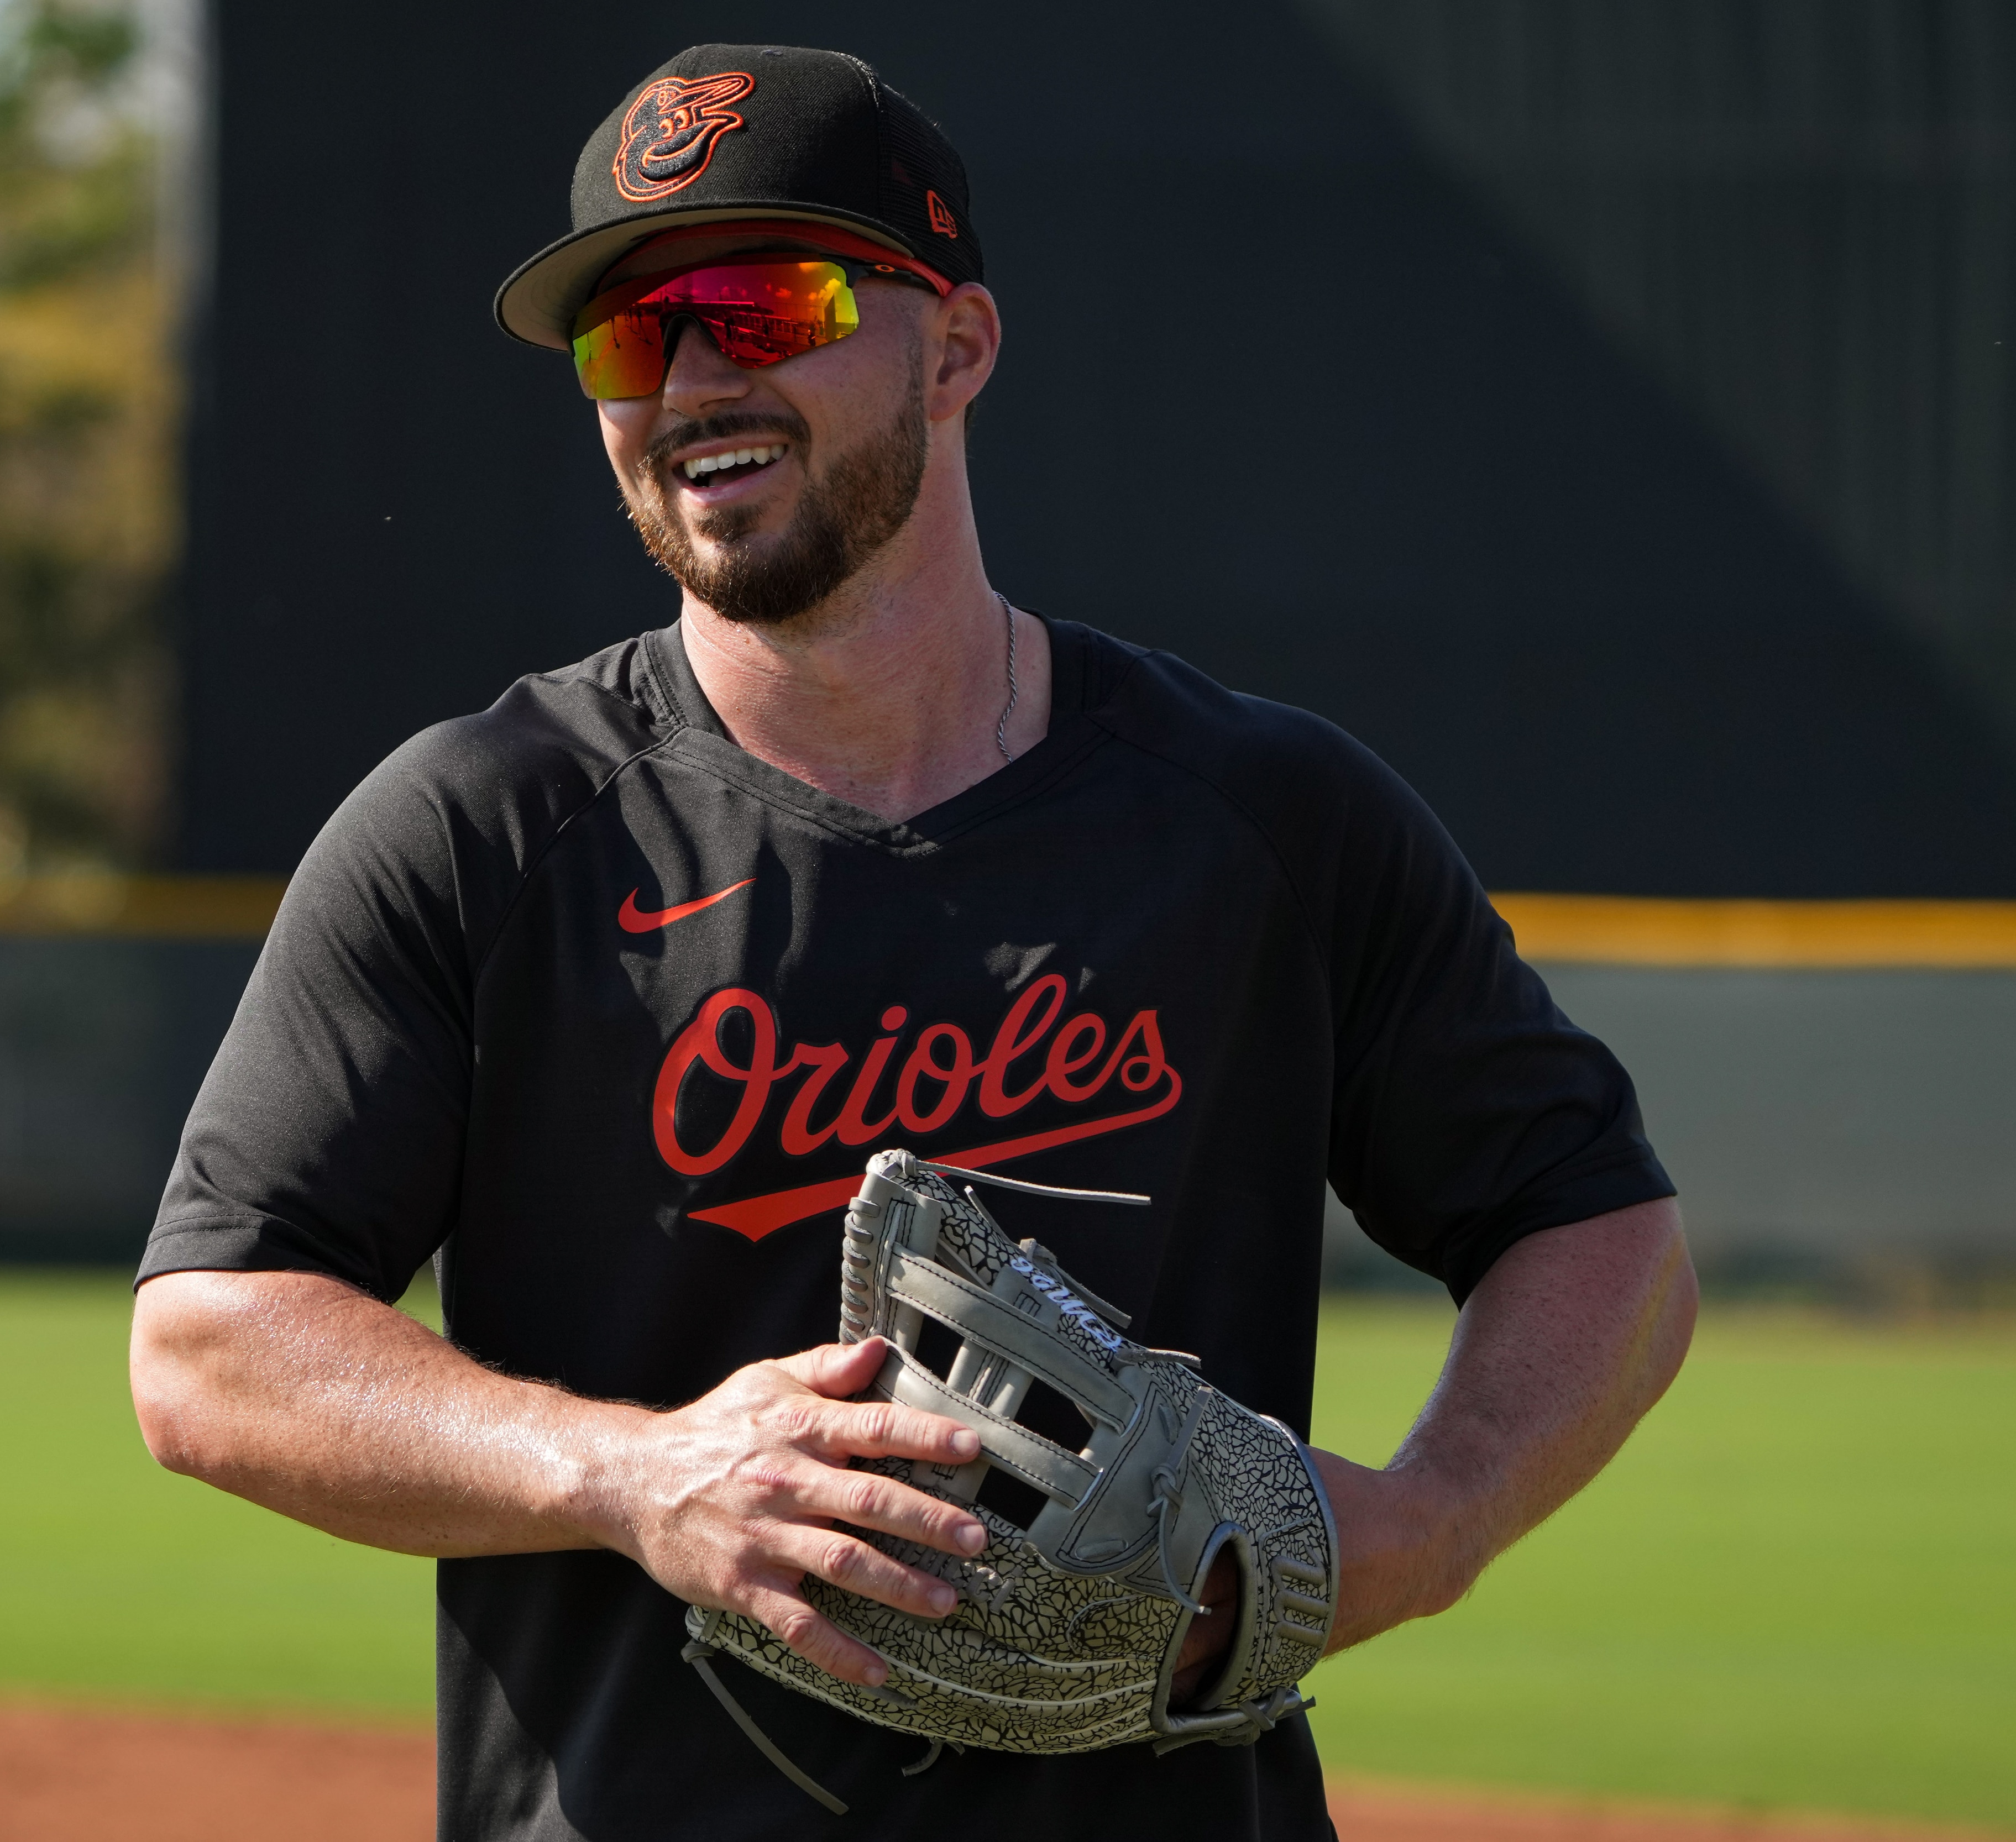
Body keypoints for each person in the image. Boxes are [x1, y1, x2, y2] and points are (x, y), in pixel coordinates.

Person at [129, 42, 1695, 1841]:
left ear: (956, 347)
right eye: (629, 339)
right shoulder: (485, 827)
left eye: (765, 302)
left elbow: (1601, 1228)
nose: (695, 377)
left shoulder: (1264, 819)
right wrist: (630, 1470)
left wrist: (1433, 1523)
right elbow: (209, 1342)